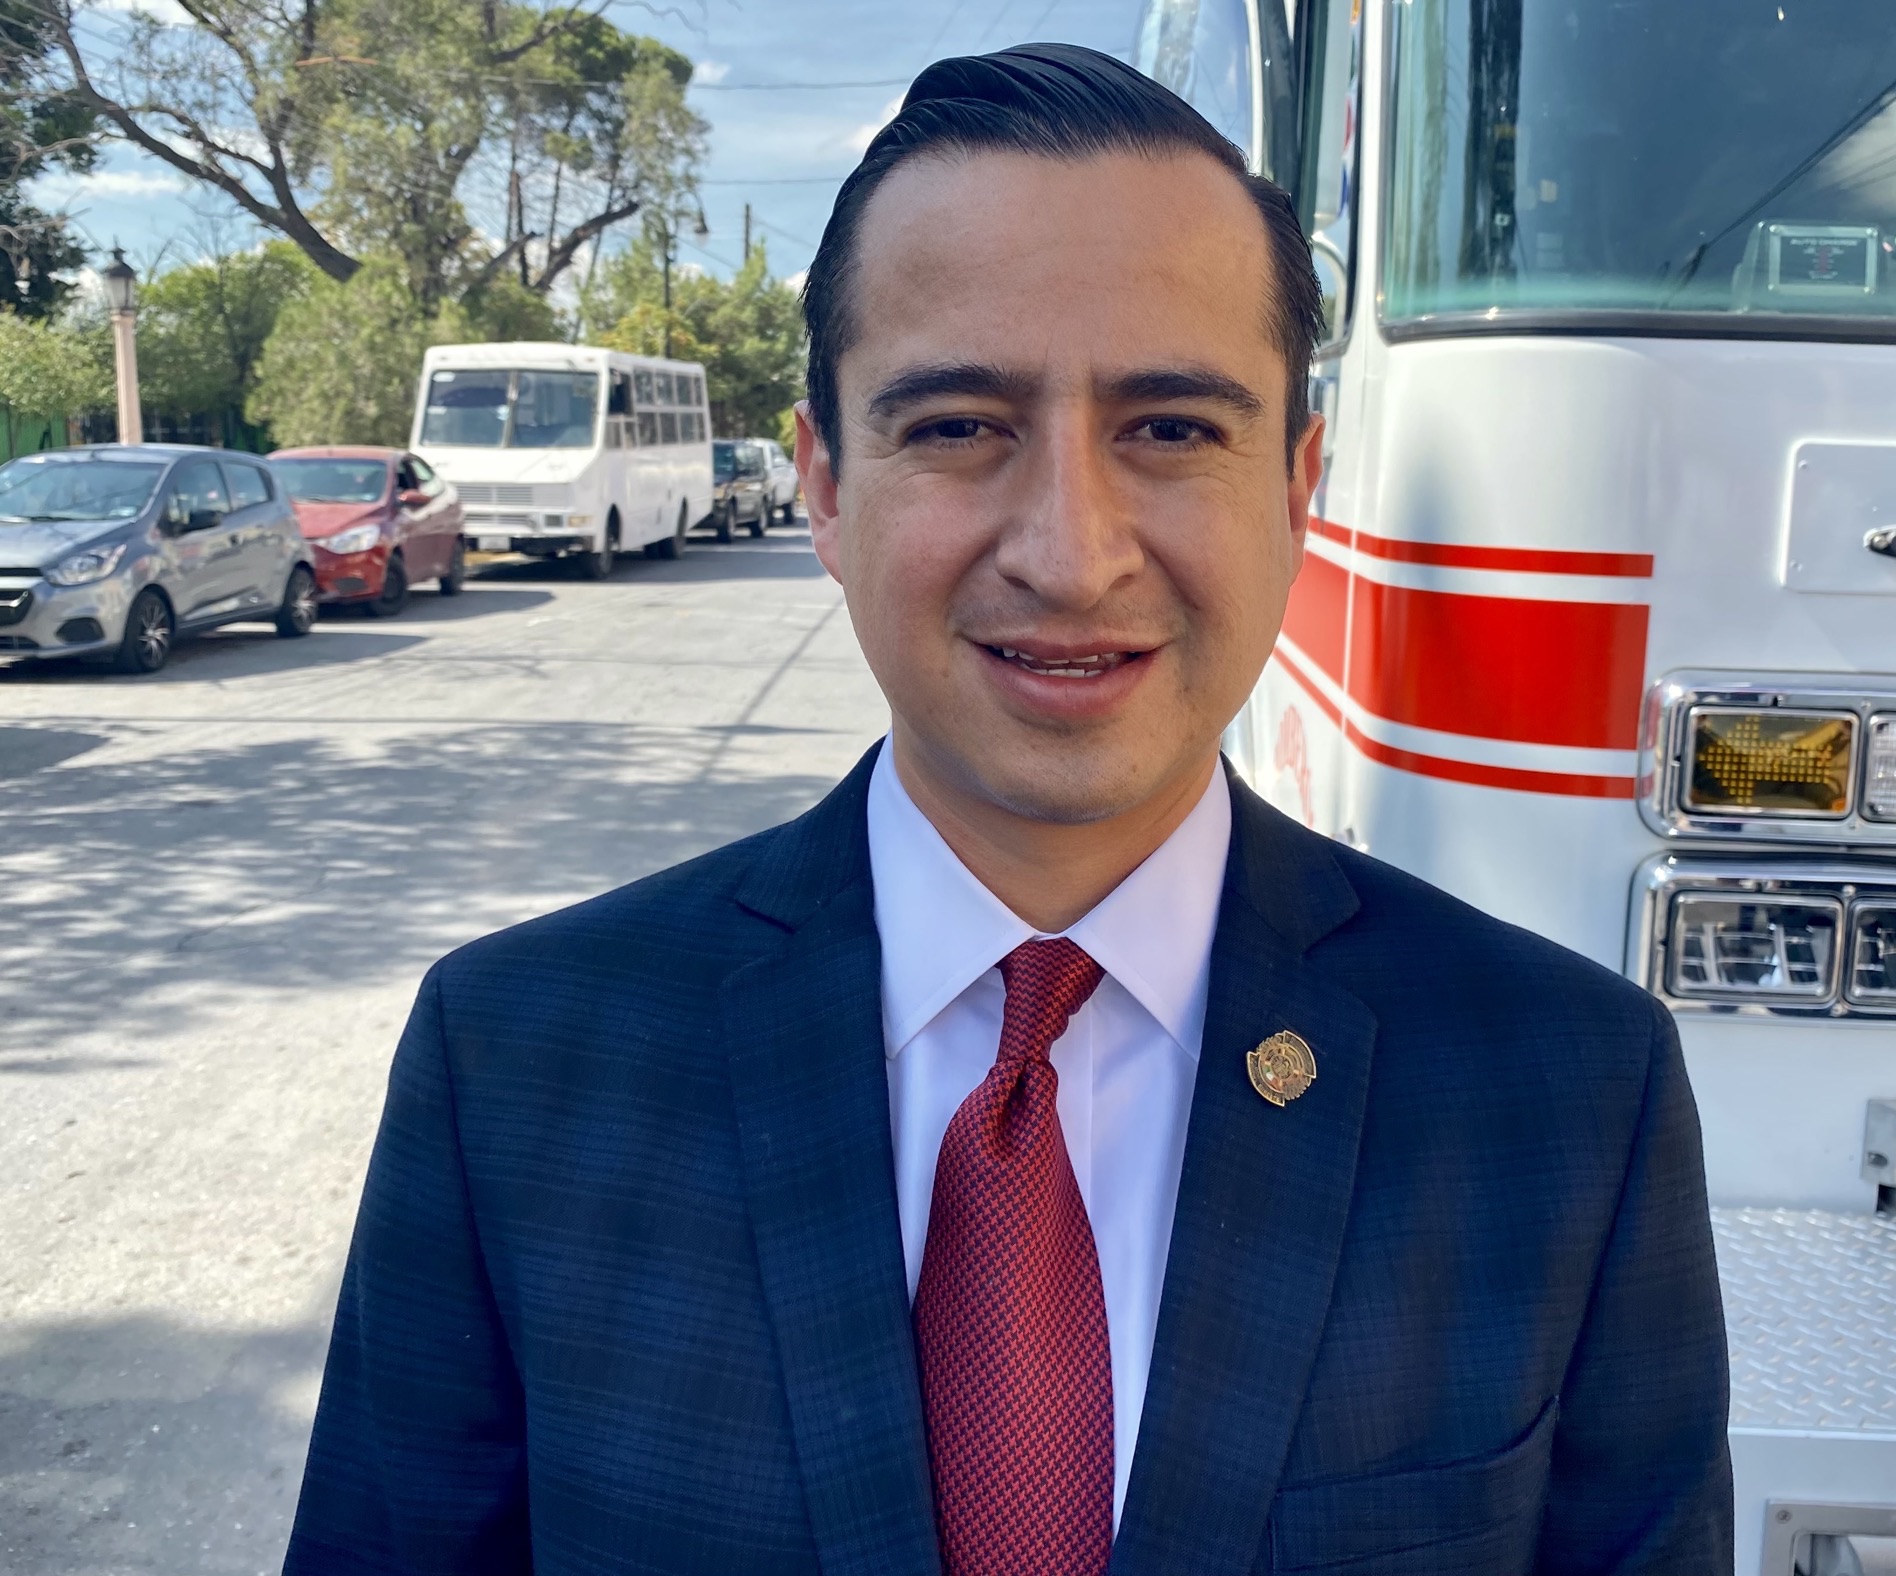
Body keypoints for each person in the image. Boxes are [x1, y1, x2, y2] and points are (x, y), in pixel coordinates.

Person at [284, 42, 1731, 1576]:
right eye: (961, 425)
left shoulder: (1567, 1096)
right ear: (824, 487)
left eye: (1170, 429)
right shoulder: (517, 1068)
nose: (1070, 554)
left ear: (1296, 486)